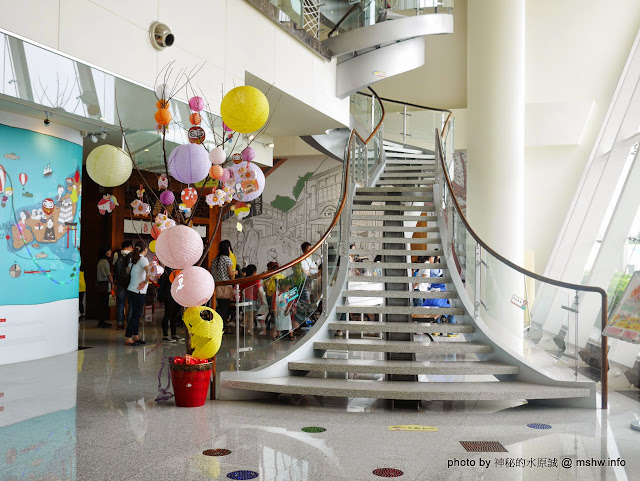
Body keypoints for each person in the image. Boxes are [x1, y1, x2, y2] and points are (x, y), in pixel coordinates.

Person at [125, 241, 150, 346]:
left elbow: (127, 271)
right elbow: (149, 272)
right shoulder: (143, 259)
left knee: (135, 313)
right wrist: (145, 282)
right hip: (138, 291)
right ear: (145, 249)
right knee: (136, 315)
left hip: (131, 289)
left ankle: (135, 336)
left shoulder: (133, 259)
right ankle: (128, 338)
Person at [211, 240, 237, 332]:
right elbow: (230, 274)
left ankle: (218, 325)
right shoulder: (227, 259)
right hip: (225, 287)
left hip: (217, 287)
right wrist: (236, 272)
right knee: (225, 308)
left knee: (219, 307)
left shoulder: (215, 260)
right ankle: (223, 326)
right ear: (228, 248)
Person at [239, 264, 267, 335]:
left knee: (246, 315)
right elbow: (259, 290)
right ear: (254, 272)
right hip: (253, 300)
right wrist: (262, 299)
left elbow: (241, 289)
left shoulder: (244, 280)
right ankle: (249, 329)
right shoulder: (255, 280)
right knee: (252, 316)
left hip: (245, 299)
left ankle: (243, 326)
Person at [158, 266, 182, 343]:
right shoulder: (165, 269)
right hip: (168, 294)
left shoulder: (178, 269)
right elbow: (162, 282)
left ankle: (174, 334)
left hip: (177, 293)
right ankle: (165, 335)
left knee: (175, 314)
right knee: (168, 314)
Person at [113, 240, 133, 330]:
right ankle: (129, 323)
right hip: (131, 282)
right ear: (130, 247)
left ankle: (120, 324)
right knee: (130, 303)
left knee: (120, 303)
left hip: (120, 282)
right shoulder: (133, 255)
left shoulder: (116, 254)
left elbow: (114, 265)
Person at [96, 247, 113, 328]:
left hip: (100, 284)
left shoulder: (100, 261)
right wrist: (112, 283)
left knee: (101, 304)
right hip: (105, 284)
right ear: (105, 252)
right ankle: (102, 322)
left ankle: (101, 321)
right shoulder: (105, 262)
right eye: (109, 250)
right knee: (104, 304)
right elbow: (108, 274)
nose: (110, 252)